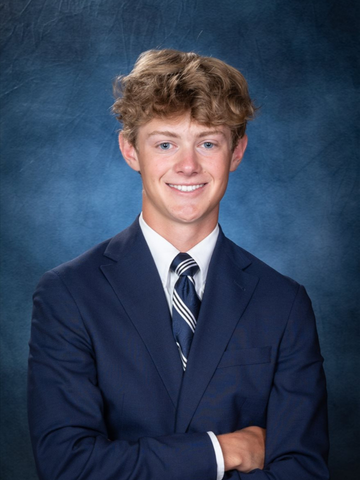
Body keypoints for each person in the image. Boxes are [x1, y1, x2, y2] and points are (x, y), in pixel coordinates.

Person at [28, 49, 329, 479]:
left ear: (237, 151)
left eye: (208, 143)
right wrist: (220, 452)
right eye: (166, 143)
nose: (188, 166)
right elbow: (69, 466)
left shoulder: (284, 303)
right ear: (131, 151)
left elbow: (301, 471)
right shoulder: (69, 294)